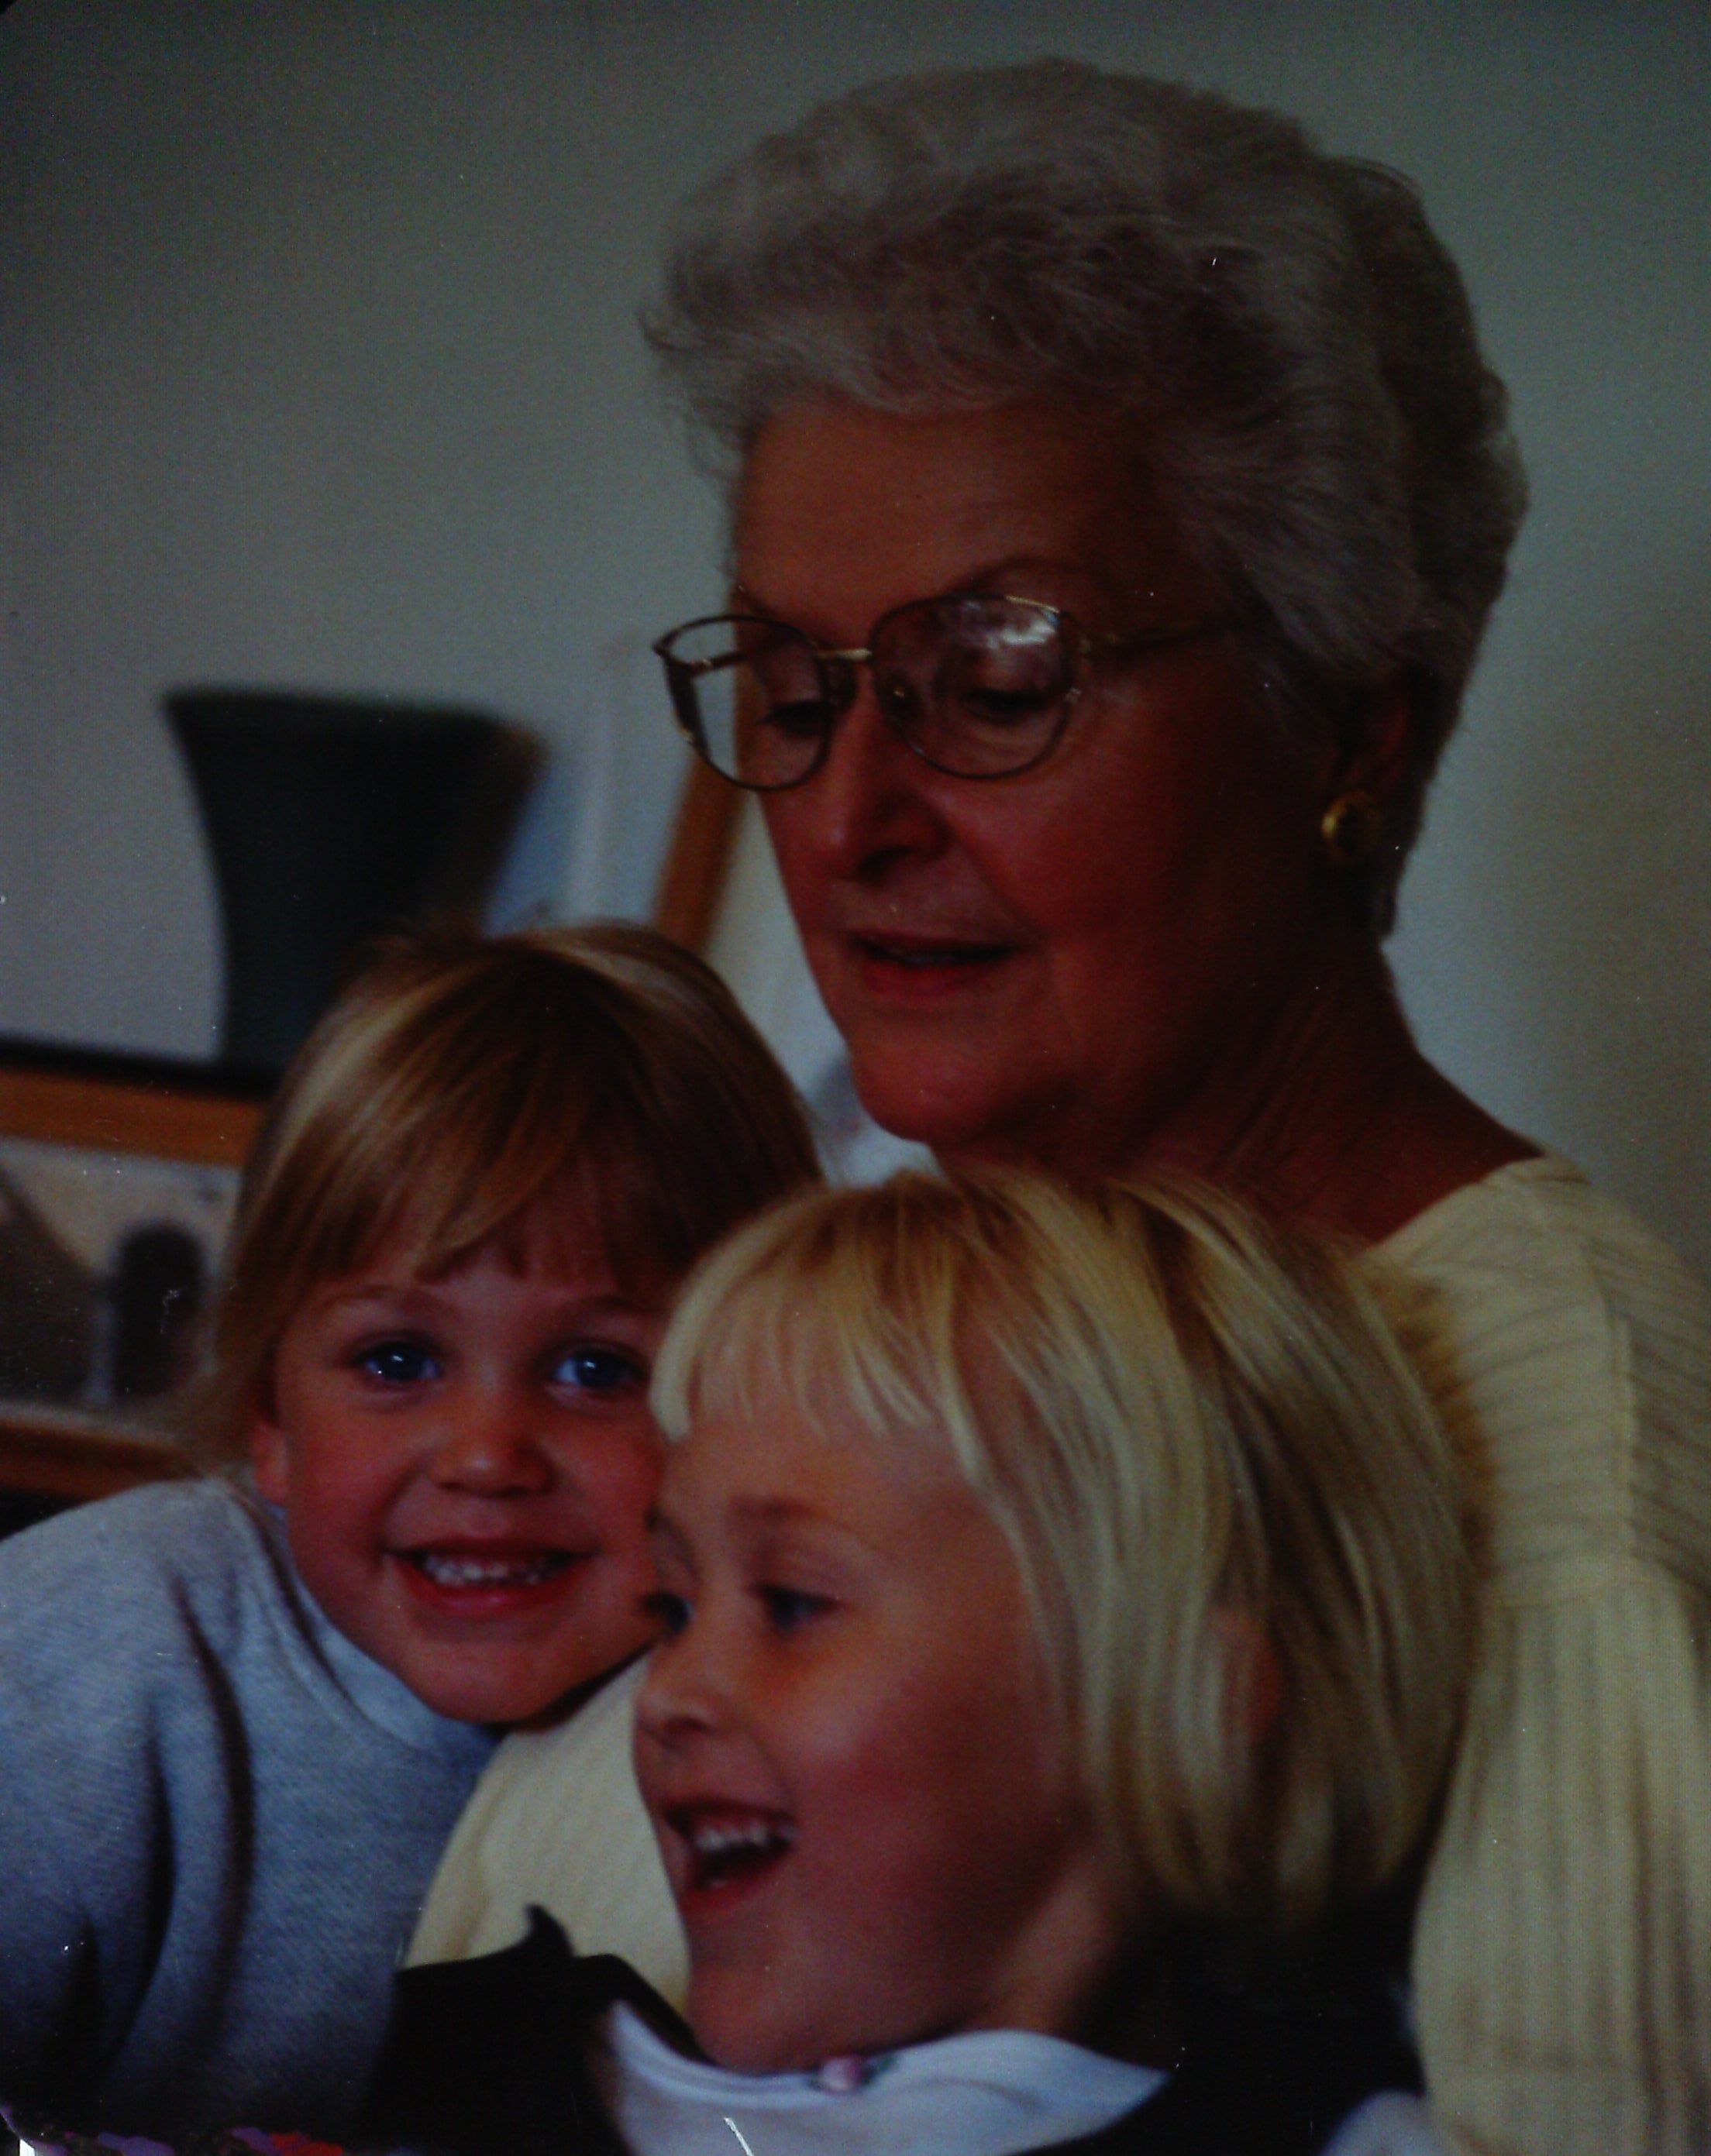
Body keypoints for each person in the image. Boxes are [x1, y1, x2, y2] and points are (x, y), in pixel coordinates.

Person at [418, 58, 1711, 2156]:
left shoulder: (1577, 1481)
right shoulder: (815, 1335)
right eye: (794, 686)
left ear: (1350, 730)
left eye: (1001, 679)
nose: (849, 816)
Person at [372, 1168, 1471, 2156]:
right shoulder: (459, 2073)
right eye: (675, 1608)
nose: (668, 1693)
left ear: (1181, 1698)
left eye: (793, 1603)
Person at [0, 924, 818, 2144]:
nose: (486, 1455)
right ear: (271, 1413)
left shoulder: (759, 1726)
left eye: (598, 1369)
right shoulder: (97, 1646)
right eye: (396, 1360)